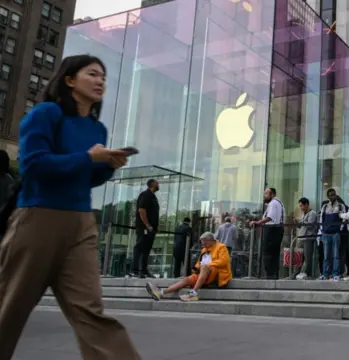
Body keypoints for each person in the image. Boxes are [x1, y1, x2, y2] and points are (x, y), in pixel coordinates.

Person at [0, 55, 140, 359]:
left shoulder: (97, 129)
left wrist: (108, 166)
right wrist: (88, 159)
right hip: (37, 219)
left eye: (103, 76)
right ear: (69, 80)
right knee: (9, 308)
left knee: (91, 312)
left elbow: (84, 180)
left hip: (81, 224)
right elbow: (34, 166)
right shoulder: (46, 114)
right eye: (92, 74)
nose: (100, 80)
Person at [146, 232, 232, 302]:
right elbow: (199, 263)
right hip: (204, 274)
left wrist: (206, 266)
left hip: (217, 275)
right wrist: (196, 269)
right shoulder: (204, 250)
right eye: (202, 243)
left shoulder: (221, 247)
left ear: (210, 240)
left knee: (205, 267)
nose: (203, 245)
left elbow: (224, 261)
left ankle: (193, 293)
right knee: (186, 280)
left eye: (205, 243)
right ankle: (161, 292)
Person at [250, 188, 284, 279]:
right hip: (277, 229)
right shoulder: (278, 203)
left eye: (266, 193)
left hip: (272, 230)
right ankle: (273, 274)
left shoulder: (273, 203)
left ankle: (270, 274)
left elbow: (270, 217)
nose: (264, 196)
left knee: (268, 252)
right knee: (274, 253)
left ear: (272, 194)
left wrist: (258, 223)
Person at [130, 179, 160, 278]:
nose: (158, 184)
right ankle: (134, 270)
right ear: (152, 184)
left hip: (151, 229)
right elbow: (142, 210)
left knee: (147, 248)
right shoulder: (146, 195)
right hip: (144, 227)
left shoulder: (153, 196)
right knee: (139, 246)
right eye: (157, 183)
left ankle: (143, 270)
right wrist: (147, 225)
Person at [318, 189, 347, 280]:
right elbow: (321, 219)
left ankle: (336, 274)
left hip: (335, 233)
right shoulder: (325, 206)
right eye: (330, 195)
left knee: (336, 255)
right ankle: (326, 274)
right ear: (328, 196)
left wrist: (340, 229)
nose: (332, 196)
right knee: (326, 256)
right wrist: (322, 229)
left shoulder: (341, 206)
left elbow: (344, 219)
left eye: (334, 195)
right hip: (326, 233)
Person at [296, 197, 318, 280]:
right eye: (300, 206)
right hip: (301, 238)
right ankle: (296, 273)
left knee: (307, 257)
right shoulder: (303, 214)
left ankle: (306, 273)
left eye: (302, 206)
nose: (300, 208)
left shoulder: (312, 213)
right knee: (298, 257)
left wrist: (301, 222)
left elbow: (310, 224)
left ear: (306, 205)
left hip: (308, 238)